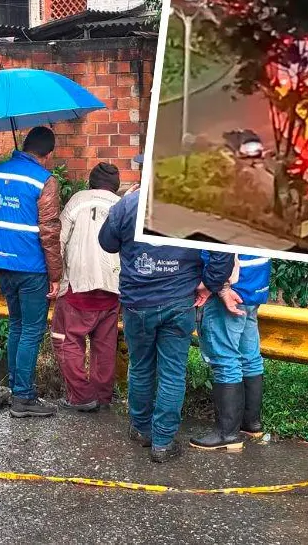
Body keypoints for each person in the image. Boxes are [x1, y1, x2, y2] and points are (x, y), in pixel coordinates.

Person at [98, 165, 234, 463]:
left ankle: (142, 429)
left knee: (141, 366)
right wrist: (210, 284)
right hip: (178, 302)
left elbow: (106, 243)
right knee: (172, 372)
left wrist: (122, 206)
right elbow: (223, 252)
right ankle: (163, 442)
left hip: (137, 302)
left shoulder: (128, 204)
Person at [0, 126, 61, 418]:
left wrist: (0, 238)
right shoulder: (44, 180)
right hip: (32, 267)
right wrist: (55, 275)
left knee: (17, 325)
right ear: (47, 155)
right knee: (32, 330)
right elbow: (49, 231)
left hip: (3, 264)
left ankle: (15, 388)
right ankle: (24, 397)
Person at [51, 162, 122, 413]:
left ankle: (81, 396)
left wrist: (55, 278)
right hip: (113, 289)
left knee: (66, 339)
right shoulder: (121, 205)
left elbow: (57, 240)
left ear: (90, 183)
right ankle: (102, 396)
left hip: (77, 288)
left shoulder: (77, 201)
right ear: (116, 187)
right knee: (104, 345)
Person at [190, 252, 271, 452]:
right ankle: (250, 423)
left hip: (230, 288)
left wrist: (219, 287)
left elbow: (219, 249)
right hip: (253, 284)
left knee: (225, 360)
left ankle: (227, 434)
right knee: (249, 357)